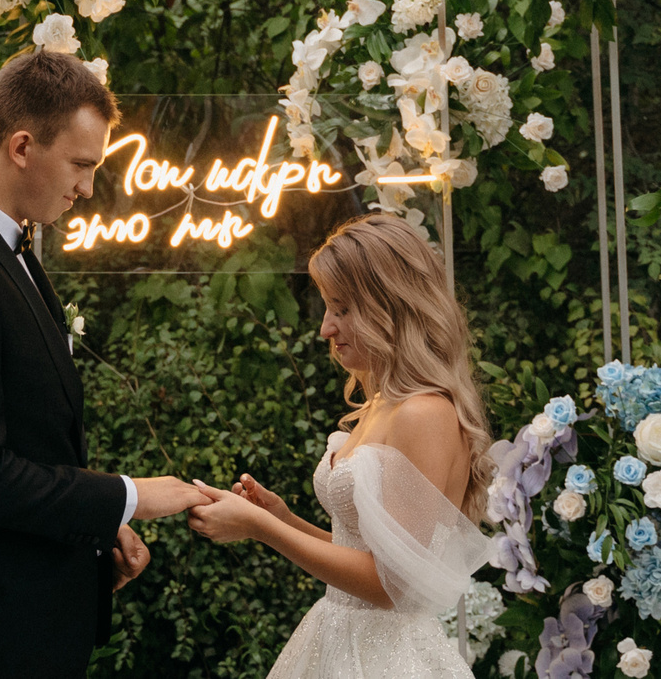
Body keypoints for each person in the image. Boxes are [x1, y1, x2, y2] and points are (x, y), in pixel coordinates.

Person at [0, 49, 211, 679]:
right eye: (82, 165)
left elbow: (28, 439)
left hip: (18, 622)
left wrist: (92, 532)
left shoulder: (7, 245)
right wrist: (129, 497)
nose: (87, 188)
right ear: (23, 146)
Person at [186, 213, 493, 678]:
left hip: (388, 659)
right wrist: (282, 518)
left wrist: (261, 528)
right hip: (338, 636)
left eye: (343, 309)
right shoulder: (381, 405)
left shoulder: (424, 413)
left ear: (393, 306)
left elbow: (392, 587)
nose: (326, 328)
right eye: (328, 308)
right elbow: (369, 557)